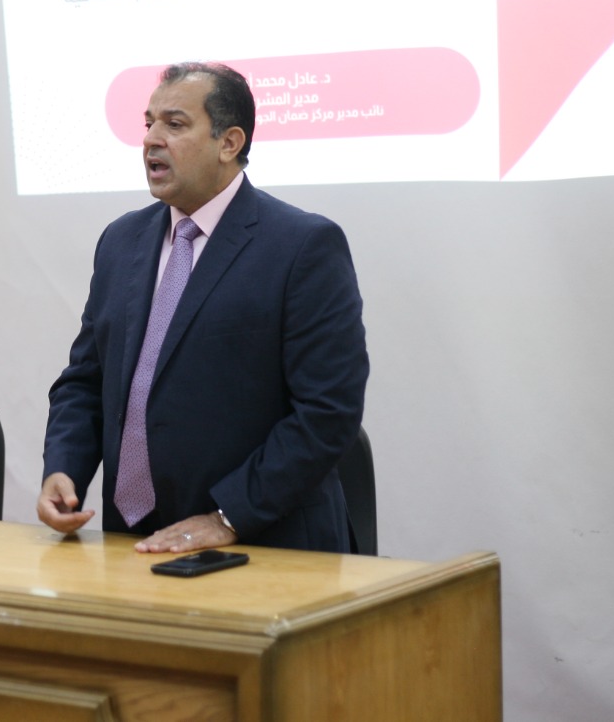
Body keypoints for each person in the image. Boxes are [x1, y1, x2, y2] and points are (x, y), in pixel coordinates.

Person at [38, 62, 368, 553]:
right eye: (148, 122)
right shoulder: (121, 241)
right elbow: (87, 381)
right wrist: (64, 467)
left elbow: (327, 412)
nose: (151, 139)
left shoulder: (303, 246)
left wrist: (227, 517)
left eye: (174, 124)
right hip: (132, 544)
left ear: (229, 143)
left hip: (264, 545)